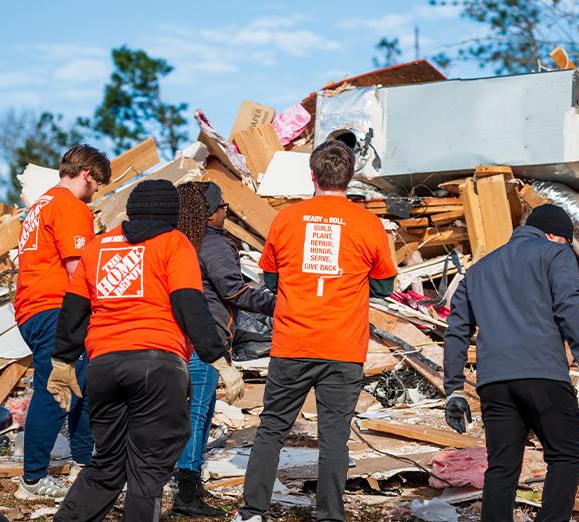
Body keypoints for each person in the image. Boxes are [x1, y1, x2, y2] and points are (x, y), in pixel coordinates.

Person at [48, 179, 246, 522]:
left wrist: (62, 362)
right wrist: (220, 361)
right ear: (172, 214)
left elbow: (73, 308)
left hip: (104, 366)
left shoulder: (98, 247)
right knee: (149, 465)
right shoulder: (174, 243)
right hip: (158, 363)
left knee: (108, 462)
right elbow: (189, 304)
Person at [234, 140, 398, 522]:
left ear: (312, 175)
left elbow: (270, 280)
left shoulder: (287, 219)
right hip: (342, 346)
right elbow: (386, 286)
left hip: (292, 342)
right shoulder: (367, 223)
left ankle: (252, 512)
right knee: (334, 438)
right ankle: (329, 515)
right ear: (349, 176)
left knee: (272, 428)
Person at [443, 204, 579, 522]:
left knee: (502, 466)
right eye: (567, 243)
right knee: (566, 455)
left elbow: (457, 329)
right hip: (543, 374)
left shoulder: (477, 270)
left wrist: (454, 390)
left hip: (494, 384)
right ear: (556, 236)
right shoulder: (555, 254)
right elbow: (569, 305)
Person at [172, 181, 276, 518]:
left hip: (176, 339)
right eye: (221, 206)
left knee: (189, 413)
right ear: (209, 213)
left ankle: (188, 484)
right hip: (208, 340)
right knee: (198, 414)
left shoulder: (179, 241)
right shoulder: (212, 244)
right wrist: (279, 305)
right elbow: (234, 292)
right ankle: (187, 494)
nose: (225, 211)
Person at [14, 145, 110, 499]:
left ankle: (85, 457)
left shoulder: (40, 204)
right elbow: (78, 270)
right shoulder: (71, 207)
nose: (97, 191)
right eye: (98, 183)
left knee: (80, 381)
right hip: (57, 308)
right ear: (87, 174)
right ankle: (34, 478)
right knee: (57, 387)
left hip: (34, 306)